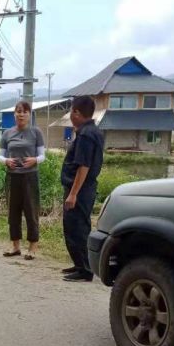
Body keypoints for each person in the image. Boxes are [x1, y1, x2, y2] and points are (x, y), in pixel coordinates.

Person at [60, 95, 104, 282]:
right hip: (83, 189)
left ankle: (85, 269)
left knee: (76, 228)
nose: (70, 114)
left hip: (80, 190)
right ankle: (80, 264)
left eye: (71, 110)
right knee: (76, 227)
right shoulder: (92, 131)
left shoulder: (86, 135)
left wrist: (73, 194)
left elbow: (83, 166)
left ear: (77, 112)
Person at [0, 100, 45, 259]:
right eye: (18, 111)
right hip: (12, 176)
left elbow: (42, 155)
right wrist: (6, 161)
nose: (21, 114)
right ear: (14, 114)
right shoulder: (7, 133)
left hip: (29, 176)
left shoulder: (36, 132)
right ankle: (15, 246)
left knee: (31, 211)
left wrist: (35, 160)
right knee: (13, 212)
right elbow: (0, 155)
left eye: (24, 111)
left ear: (29, 114)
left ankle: (32, 247)